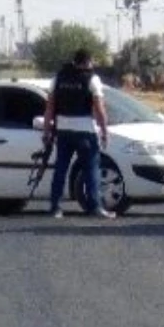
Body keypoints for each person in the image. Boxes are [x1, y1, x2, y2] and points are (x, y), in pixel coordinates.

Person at [42, 48, 114, 219]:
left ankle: (55, 208)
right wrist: (104, 131)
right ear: (88, 62)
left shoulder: (58, 78)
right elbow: (99, 108)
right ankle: (95, 207)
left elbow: (50, 108)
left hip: (63, 131)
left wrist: (46, 131)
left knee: (61, 168)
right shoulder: (92, 79)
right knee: (91, 169)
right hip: (85, 131)